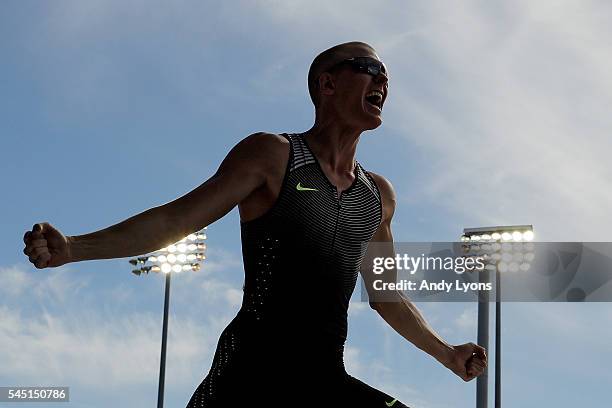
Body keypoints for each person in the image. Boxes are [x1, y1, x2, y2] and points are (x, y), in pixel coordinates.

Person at [23, 41, 487, 407]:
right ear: (327, 84)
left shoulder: (378, 196)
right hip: (249, 375)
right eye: (368, 66)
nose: (383, 77)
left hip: (322, 380)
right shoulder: (272, 155)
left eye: (386, 73)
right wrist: (75, 247)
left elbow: (387, 294)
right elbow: (175, 218)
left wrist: (447, 353)